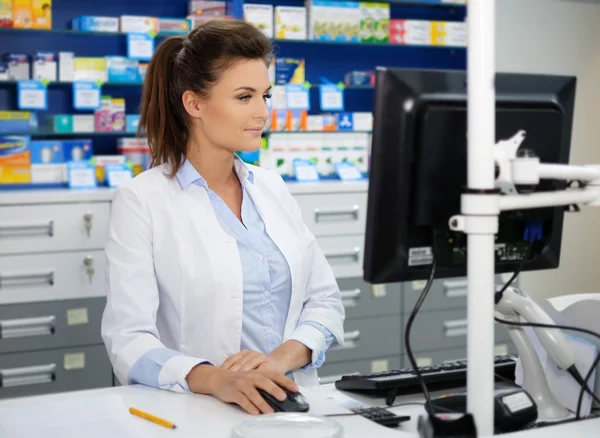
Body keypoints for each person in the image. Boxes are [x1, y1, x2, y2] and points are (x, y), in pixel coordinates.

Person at [101, 19, 345, 416]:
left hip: (291, 404)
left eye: (266, 95)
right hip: (200, 413)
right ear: (194, 103)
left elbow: (325, 303)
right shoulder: (142, 200)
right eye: (244, 97)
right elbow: (128, 340)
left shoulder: (272, 188)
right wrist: (218, 379)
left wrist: (279, 361)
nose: (262, 112)